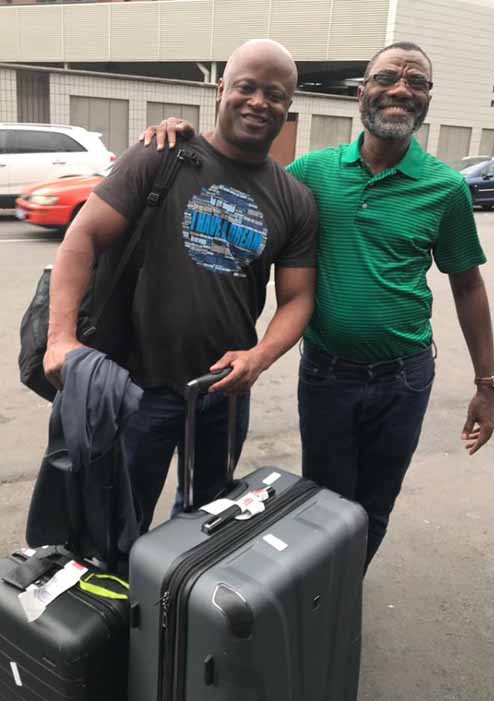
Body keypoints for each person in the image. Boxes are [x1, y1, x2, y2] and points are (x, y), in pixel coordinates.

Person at [142, 41, 494, 567]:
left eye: (416, 82)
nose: (401, 89)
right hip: (328, 376)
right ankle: (319, 595)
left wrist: (487, 384)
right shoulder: (309, 174)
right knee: (325, 503)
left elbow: (467, 286)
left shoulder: (445, 189)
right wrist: (186, 134)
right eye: (386, 78)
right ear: (362, 93)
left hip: (404, 379)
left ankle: (338, 597)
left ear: (426, 99)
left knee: (375, 504)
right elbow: (237, 169)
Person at [43, 39, 317, 534]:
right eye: (246, 88)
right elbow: (81, 238)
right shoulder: (163, 154)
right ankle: (117, 605)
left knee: (203, 522)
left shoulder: (294, 198)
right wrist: (60, 337)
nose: (259, 102)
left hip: (223, 393)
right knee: (116, 523)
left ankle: (172, 605)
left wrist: (258, 358)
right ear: (220, 90)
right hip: (136, 386)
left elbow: (298, 298)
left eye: (274, 95)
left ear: (287, 106)